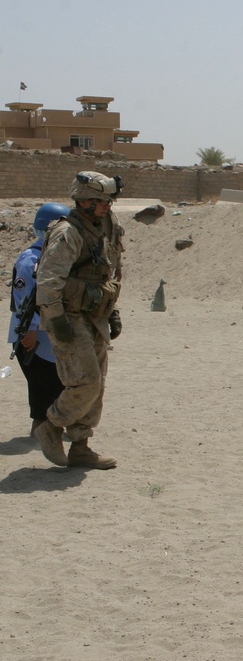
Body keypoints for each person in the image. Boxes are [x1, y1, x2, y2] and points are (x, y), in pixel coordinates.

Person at [33, 171, 125, 469]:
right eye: (101, 201)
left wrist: (112, 311)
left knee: (98, 384)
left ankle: (81, 447)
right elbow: (48, 282)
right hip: (68, 315)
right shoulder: (67, 233)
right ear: (84, 201)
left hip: (94, 312)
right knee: (86, 381)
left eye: (109, 201)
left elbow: (108, 271)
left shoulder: (107, 226)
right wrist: (56, 321)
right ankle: (50, 426)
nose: (106, 207)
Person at [7, 203, 70, 435]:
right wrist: (29, 331)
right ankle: (42, 433)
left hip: (51, 334)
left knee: (56, 385)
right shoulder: (30, 259)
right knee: (42, 386)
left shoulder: (54, 258)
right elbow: (23, 298)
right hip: (34, 337)